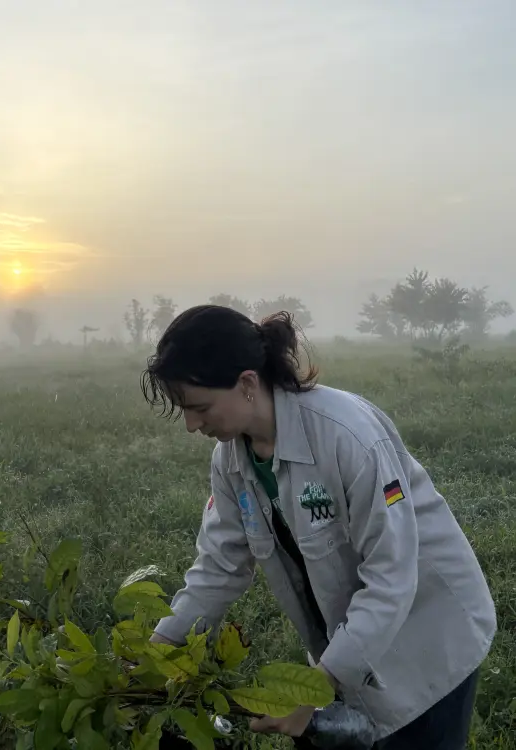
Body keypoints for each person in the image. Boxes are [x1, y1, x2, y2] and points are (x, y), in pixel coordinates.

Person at [140, 304, 497, 749]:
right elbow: (220, 568)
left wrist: (317, 687)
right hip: (355, 642)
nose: (193, 425)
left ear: (247, 383)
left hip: (430, 637)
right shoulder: (232, 460)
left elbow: (391, 578)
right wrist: (156, 653)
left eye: (201, 408)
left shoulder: (347, 436)